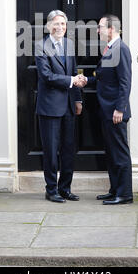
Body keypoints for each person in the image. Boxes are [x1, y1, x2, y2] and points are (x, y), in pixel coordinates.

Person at [35, 10, 86, 203]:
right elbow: (46, 76)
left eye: (63, 24)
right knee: (51, 150)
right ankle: (51, 189)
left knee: (68, 150)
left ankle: (65, 188)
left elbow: (72, 71)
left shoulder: (69, 44)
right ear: (48, 26)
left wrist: (78, 99)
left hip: (69, 108)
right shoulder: (41, 46)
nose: (60, 28)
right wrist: (72, 80)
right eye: (56, 24)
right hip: (49, 108)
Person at [88, 14, 133, 205]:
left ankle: (125, 194)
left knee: (120, 153)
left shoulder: (120, 49)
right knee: (111, 152)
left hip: (115, 112)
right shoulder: (110, 49)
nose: (97, 31)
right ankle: (115, 190)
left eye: (100, 27)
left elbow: (125, 82)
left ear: (111, 28)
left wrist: (120, 109)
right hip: (107, 111)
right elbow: (103, 78)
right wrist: (84, 81)